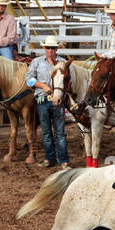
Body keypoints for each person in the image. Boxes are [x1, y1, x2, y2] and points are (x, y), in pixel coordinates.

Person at [25, 37, 70, 168]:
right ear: (44, 48)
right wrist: (42, 86)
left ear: (57, 49)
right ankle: (49, 159)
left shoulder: (63, 62)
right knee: (46, 133)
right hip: (42, 100)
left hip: (58, 101)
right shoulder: (37, 62)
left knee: (60, 133)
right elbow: (29, 80)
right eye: (48, 48)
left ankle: (63, 160)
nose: (50, 50)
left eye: (53, 48)